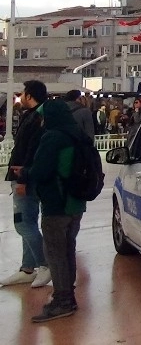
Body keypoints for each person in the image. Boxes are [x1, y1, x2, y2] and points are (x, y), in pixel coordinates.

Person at [27, 98, 87, 322]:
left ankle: (63, 301)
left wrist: (24, 173)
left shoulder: (53, 137)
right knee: (67, 249)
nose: (41, 120)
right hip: (76, 204)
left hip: (57, 204)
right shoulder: (78, 135)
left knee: (55, 253)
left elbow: (41, 172)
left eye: (43, 116)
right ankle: (68, 295)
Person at [1, 80, 50, 289]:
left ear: (30, 96)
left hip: (25, 177)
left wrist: (22, 179)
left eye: (23, 94)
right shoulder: (32, 116)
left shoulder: (38, 118)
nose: (20, 97)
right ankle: (27, 268)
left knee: (23, 223)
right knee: (28, 220)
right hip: (23, 175)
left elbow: (31, 151)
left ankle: (44, 264)